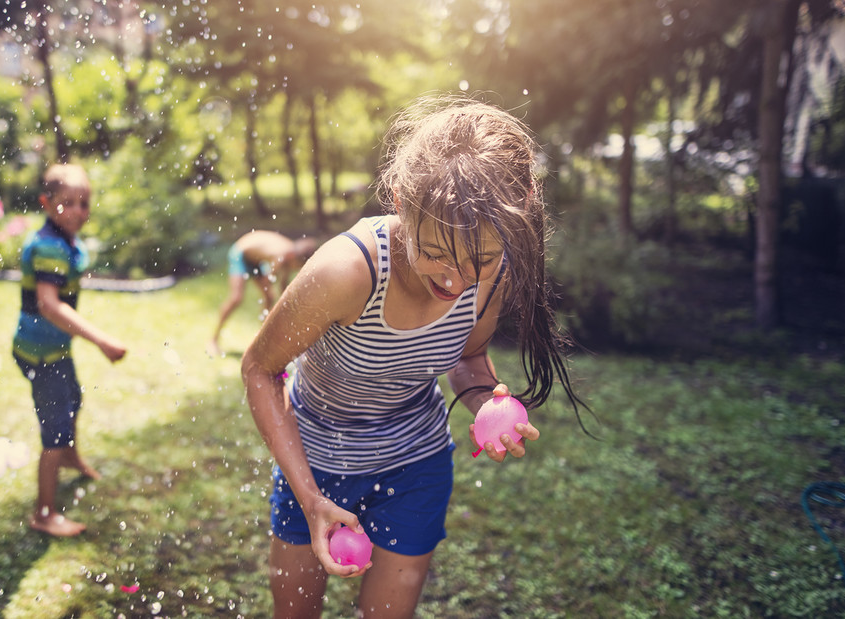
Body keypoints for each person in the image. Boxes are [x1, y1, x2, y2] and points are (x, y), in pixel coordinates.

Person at [241, 96, 588, 618]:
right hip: (315, 461)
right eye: (436, 254)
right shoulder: (346, 272)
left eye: (481, 259)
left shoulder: (496, 273)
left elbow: (469, 360)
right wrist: (310, 497)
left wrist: (487, 406)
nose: (456, 280)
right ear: (401, 200)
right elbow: (259, 369)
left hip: (414, 461)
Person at [12, 163, 128, 537]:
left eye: (84, 202)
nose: (78, 210)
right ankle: (44, 513)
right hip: (40, 353)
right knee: (55, 429)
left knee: (73, 400)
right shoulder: (48, 246)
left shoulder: (61, 239)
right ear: (47, 203)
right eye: (68, 203)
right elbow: (48, 304)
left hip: (53, 348)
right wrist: (101, 340)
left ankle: (70, 456)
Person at [209, 230, 317, 356]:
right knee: (236, 298)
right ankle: (214, 340)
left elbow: (283, 287)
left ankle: (261, 341)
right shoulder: (282, 255)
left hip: (256, 260)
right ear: (293, 258)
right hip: (241, 254)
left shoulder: (291, 254)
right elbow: (268, 280)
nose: (296, 270)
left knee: (269, 298)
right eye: (297, 267)